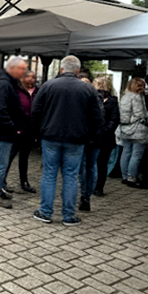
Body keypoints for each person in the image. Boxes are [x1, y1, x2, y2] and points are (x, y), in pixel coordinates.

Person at [31, 55, 102, 226]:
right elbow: (98, 117)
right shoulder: (88, 89)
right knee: (71, 176)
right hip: (76, 139)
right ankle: (68, 215)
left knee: (49, 174)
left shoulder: (48, 86)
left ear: (61, 69)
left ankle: (45, 212)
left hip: (50, 137)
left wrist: (38, 133)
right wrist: (88, 135)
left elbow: (35, 112)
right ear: (77, 70)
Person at [0, 57, 28, 208]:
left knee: (1, 163)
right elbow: (0, 109)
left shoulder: (7, 82)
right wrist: (12, 127)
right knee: (0, 163)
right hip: (2, 131)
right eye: (22, 69)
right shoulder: (3, 84)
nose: (24, 72)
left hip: (3, 130)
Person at [81, 76, 119, 210]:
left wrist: (102, 131)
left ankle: (93, 189)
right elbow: (114, 120)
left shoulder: (93, 99)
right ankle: (95, 189)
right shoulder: (112, 101)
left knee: (95, 164)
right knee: (99, 164)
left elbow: (113, 119)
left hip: (99, 137)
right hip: (102, 137)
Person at [7, 70, 38, 194]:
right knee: (10, 156)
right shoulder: (16, 90)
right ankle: (2, 180)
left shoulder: (37, 91)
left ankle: (24, 181)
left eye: (33, 77)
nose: (31, 79)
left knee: (24, 157)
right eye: (28, 76)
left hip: (30, 129)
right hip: (18, 127)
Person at [117, 77, 148, 188]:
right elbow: (139, 113)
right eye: (140, 85)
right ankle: (132, 177)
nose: (142, 88)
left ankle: (125, 176)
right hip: (137, 129)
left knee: (126, 152)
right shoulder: (137, 97)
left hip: (125, 129)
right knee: (136, 154)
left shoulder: (125, 96)